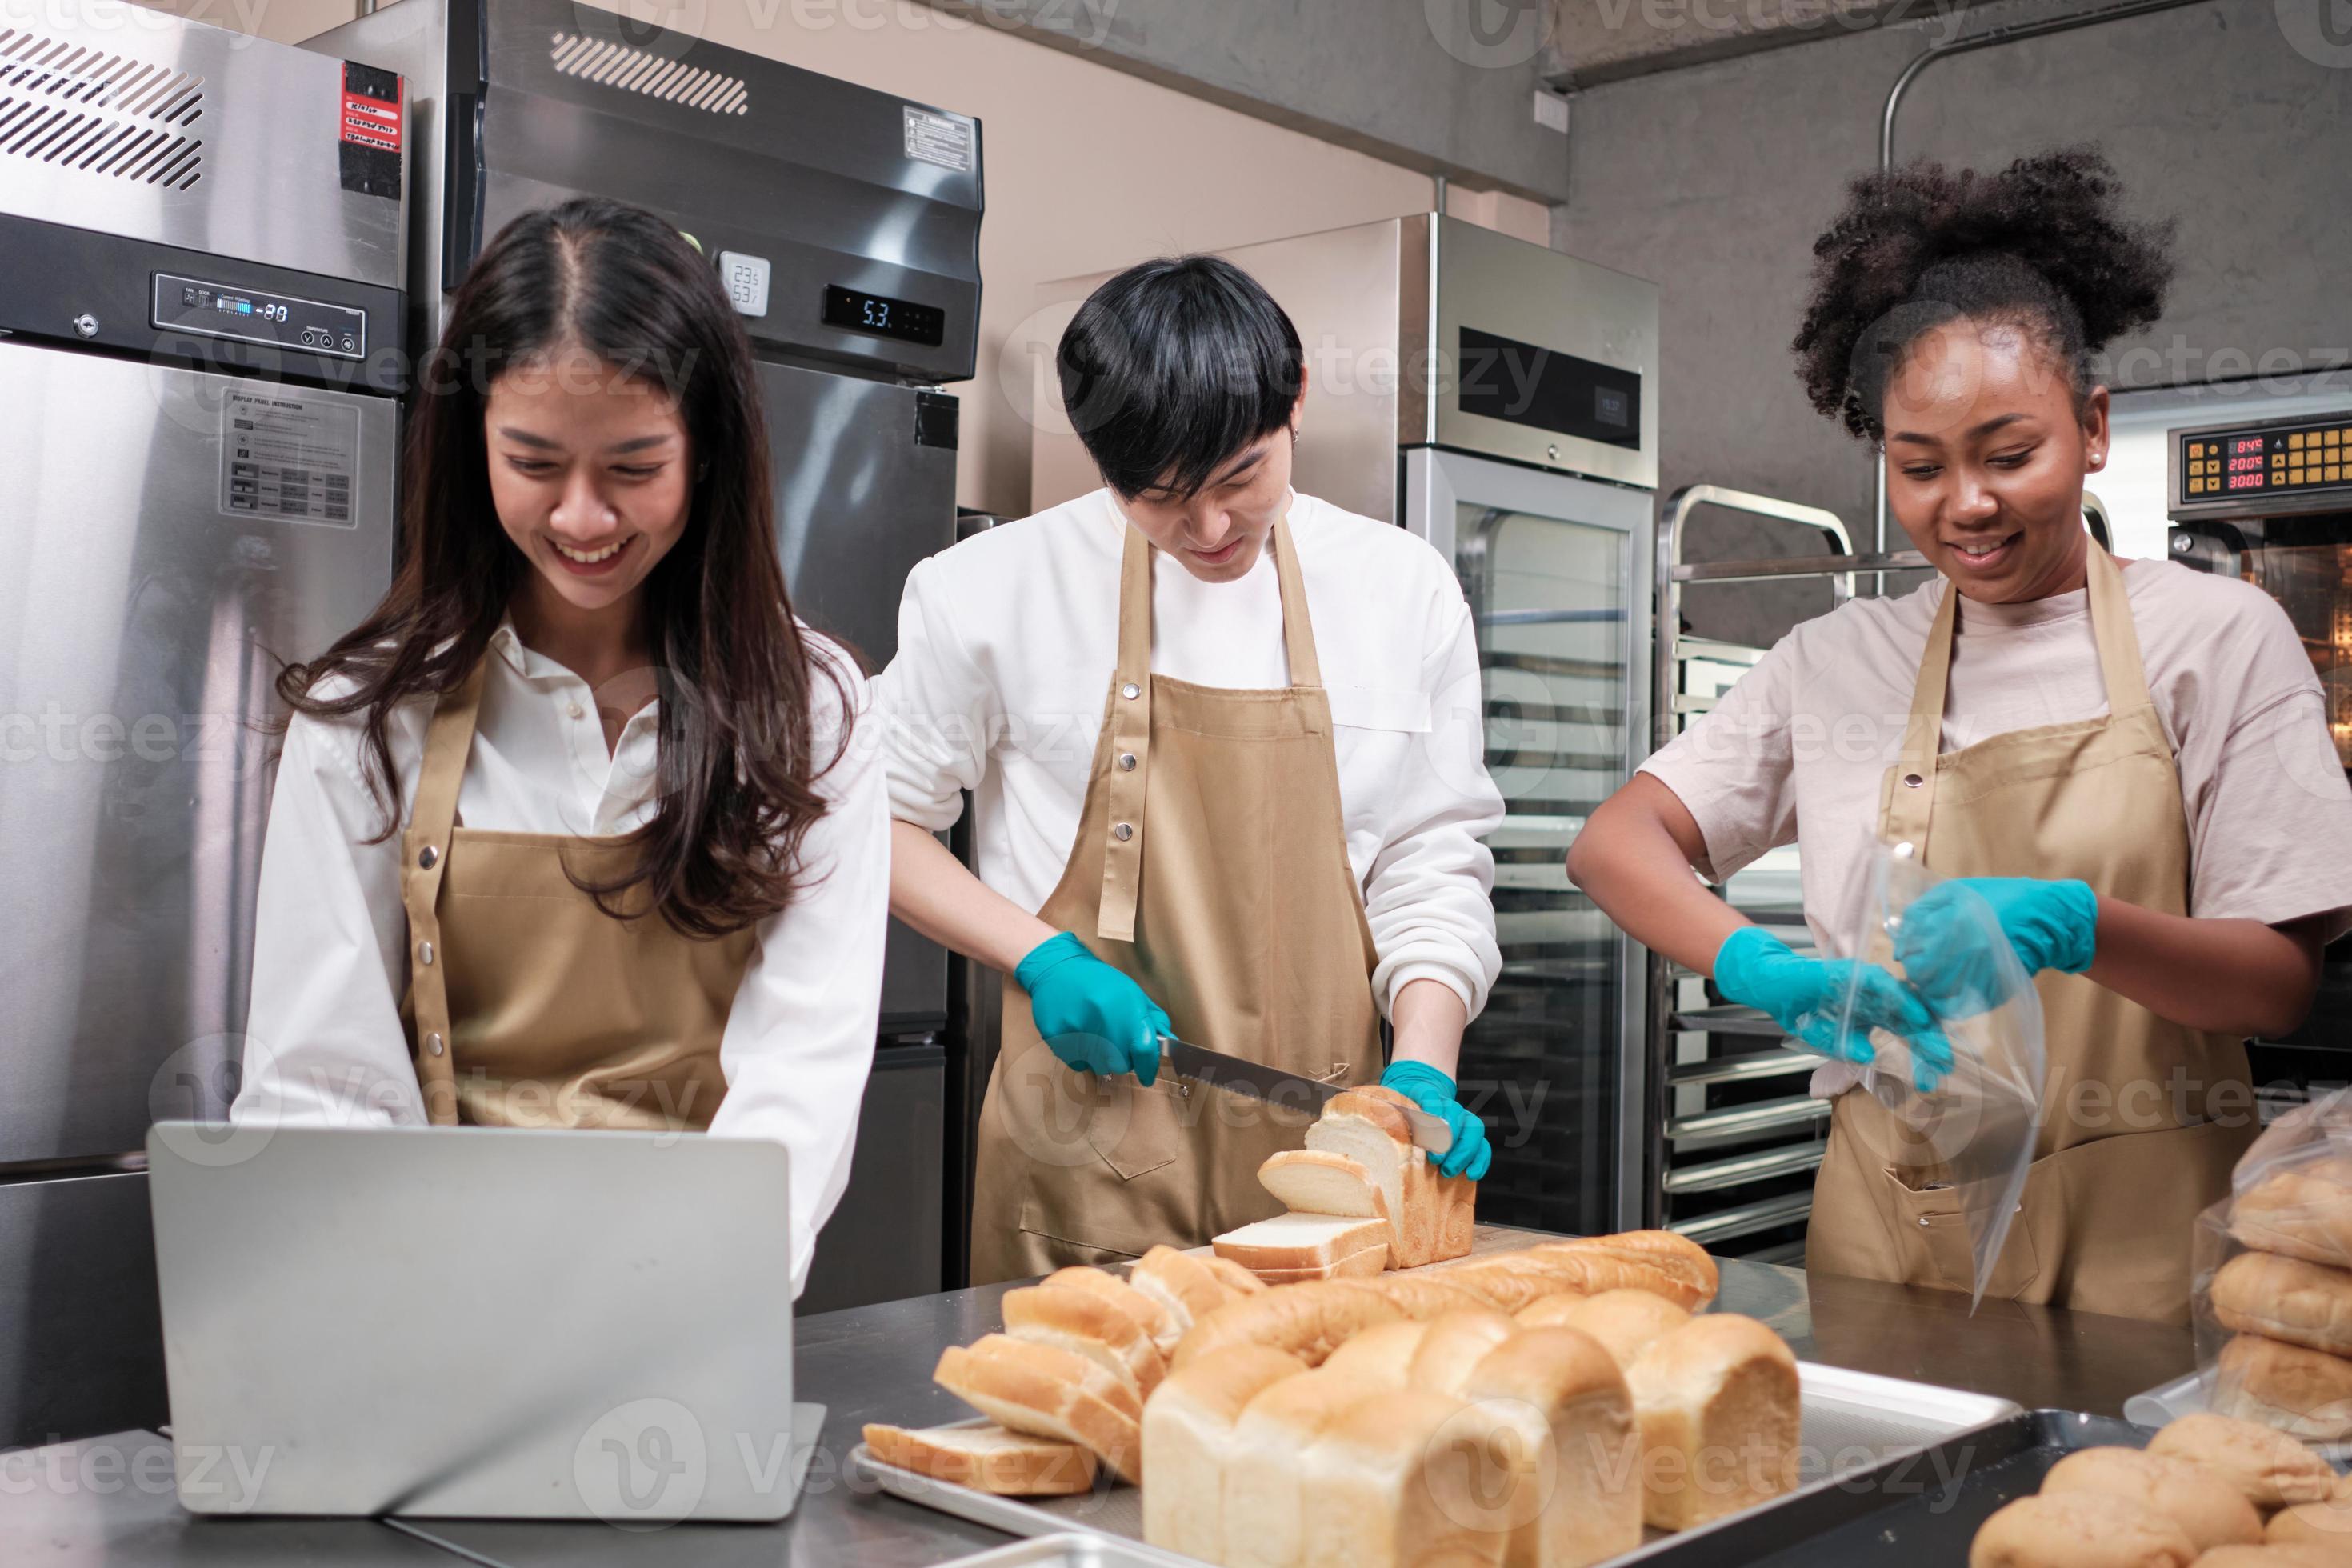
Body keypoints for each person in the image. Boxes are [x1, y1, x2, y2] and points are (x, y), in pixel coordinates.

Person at [1568, 149, 2352, 1322]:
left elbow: (2275, 987)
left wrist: (2078, 925)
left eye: (2010, 454)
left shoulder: (2215, 637)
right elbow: (1613, 845)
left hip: (2144, 1236)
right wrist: (1761, 966)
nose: (1967, 504)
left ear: (2093, 428)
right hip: (1890, 1224)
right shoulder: (1838, 659)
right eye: (1920, 466)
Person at [231, 198, 888, 1293]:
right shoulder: (367, 713)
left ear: (707, 454)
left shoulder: (810, 708)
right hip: (434, 1289)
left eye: (634, 467)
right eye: (534, 462)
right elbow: (322, 1088)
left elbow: (800, 1072)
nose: (584, 519)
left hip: (695, 1289)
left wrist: (682, 1292)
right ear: (472, 447)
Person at [878, 255, 1504, 1282]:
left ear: (1295, 401)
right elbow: (874, 820)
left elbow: (1432, 859)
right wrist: (1040, 958)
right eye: (1158, 497)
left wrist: (1423, 1070)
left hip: (1333, 1180)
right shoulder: (987, 589)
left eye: (1241, 479)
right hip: (1082, 1173)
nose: (1210, 531)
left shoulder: (1403, 590)